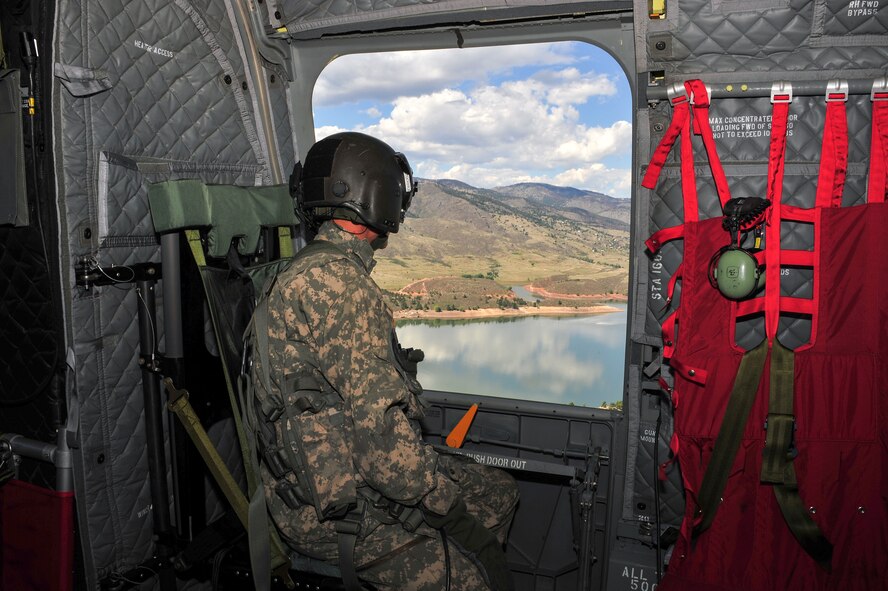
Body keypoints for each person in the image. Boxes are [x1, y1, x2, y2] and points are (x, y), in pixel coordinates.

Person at [248, 131, 519, 591]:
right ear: (374, 197)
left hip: (312, 483)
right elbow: (380, 445)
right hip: (334, 510)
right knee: (475, 575)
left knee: (499, 491)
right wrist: (443, 504)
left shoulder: (303, 270)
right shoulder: (342, 287)